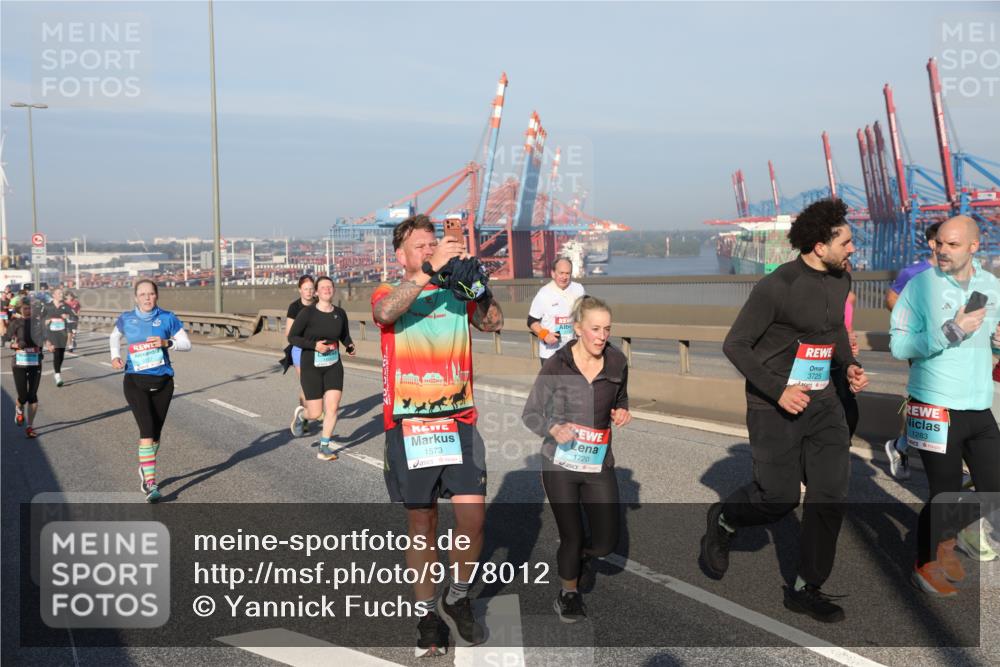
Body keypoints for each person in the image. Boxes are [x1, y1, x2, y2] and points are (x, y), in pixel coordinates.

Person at [701, 198, 869, 623]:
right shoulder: (778, 286)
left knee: (830, 494)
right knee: (778, 498)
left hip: (824, 402)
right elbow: (735, 345)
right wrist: (779, 391)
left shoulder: (841, 279)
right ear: (819, 246)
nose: (853, 248)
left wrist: (848, 364)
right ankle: (725, 519)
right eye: (846, 242)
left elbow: (834, 331)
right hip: (774, 406)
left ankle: (805, 588)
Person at [371, 214, 503, 656]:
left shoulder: (454, 290)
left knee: (473, 520)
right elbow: (385, 313)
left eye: (434, 244)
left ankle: (458, 596)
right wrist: (430, 271)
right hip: (410, 425)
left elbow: (493, 323)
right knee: (422, 524)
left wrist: (478, 288)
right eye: (421, 247)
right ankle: (427, 615)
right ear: (401, 255)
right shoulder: (387, 291)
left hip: (459, 421)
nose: (430, 251)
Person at [889, 215, 1000, 595]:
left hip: (978, 406)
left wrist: (998, 342)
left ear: (974, 246)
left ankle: (952, 537)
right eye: (939, 243)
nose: (942, 250)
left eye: (952, 244)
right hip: (934, 405)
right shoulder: (920, 286)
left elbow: (992, 345)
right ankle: (928, 560)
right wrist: (950, 331)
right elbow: (899, 345)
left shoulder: (990, 286)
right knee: (943, 492)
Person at [521, 295, 631, 623]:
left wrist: (622, 411)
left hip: (597, 463)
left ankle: (581, 558)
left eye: (607, 329)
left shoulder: (617, 362)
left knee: (606, 542)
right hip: (560, 464)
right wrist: (552, 428)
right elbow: (530, 413)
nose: (602, 336)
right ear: (579, 328)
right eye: (595, 329)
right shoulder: (557, 365)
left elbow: (621, 396)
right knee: (572, 535)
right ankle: (568, 593)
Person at [109, 279, 191, 502]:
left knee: (155, 434)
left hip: (163, 382)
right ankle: (150, 483)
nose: (147, 297)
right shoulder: (127, 318)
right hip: (135, 381)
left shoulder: (167, 317)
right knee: (146, 431)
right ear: (136, 298)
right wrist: (115, 356)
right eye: (142, 294)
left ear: (156, 296)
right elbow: (114, 336)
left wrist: (167, 343)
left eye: (151, 294)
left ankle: (145, 467)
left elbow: (187, 344)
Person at [884, 221, 943, 480]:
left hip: (953, 345)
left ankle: (903, 446)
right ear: (932, 243)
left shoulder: (961, 272)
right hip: (923, 346)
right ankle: (908, 448)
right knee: (930, 399)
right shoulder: (913, 272)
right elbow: (891, 300)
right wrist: (915, 326)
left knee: (940, 400)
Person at [287, 276, 356, 460]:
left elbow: (344, 335)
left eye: (329, 286)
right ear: (317, 292)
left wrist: (349, 345)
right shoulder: (307, 313)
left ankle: (324, 447)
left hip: (333, 365)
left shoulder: (340, 313)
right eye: (323, 287)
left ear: (333, 290)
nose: (327, 289)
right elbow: (292, 337)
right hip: (311, 365)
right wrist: (314, 345)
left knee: (333, 407)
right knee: (316, 412)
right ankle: (302, 415)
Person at [528, 258, 586, 366]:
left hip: (574, 351)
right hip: (550, 354)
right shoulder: (543, 294)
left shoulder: (579, 289)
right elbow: (531, 321)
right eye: (561, 273)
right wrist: (545, 335)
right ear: (553, 273)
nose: (564, 277)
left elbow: (584, 314)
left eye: (567, 273)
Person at [286, 275, 317, 437]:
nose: (309, 292)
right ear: (300, 290)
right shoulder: (294, 307)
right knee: (307, 385)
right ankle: (304, 421)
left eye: (311, 289)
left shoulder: (319, 304)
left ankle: (303, 414)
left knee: (314, 386)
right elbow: (288, 333)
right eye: (306, 289)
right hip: (300, 350)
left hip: (318, 350)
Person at [8, 298, 44, 438]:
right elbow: (5, 341)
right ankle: (19, 408)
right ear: (19, 309)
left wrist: (48, 343)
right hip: (20, 362)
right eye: (25, 308)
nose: (28, 310)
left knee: (32, 395)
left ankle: (30, 427)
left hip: (35, 361)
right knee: (23, 396)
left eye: (30, 308)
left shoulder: (38, 323)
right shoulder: (15, 323)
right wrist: (15, 345)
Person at [42, 288, 74, 387]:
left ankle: (57, 371)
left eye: (62, 293)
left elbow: (74, 317)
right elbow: (41, 319)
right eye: (59, 293)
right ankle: (57, 375)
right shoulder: (47, 306)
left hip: (62, 333)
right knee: (56, 353)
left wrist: (67, 316)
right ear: (54, 295)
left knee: (61, 355)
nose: (61, 295)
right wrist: (46, 321)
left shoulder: (66, 306)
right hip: (51, 333)